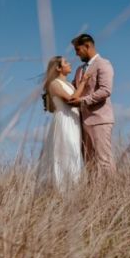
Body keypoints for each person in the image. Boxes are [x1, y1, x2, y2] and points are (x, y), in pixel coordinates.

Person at [37, 55, 89, 189]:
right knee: (67, 152)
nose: (69, 63)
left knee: (74, 153)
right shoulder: (54, 84)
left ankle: (73, 188)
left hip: (74, 121)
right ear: (58, 68)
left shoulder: (69, 84)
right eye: (66, 62)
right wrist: (83, 82)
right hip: (64, 122)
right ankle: (62, 189)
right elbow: (71, 100)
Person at [66, 33, 115, 174]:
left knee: (103, 160)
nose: (76, 54)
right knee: (89, 163)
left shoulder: (103, 64)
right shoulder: (79, 70)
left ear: (87, 46)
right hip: (82, 122)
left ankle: (112, 187)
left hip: (100, 120)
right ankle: (93, 189)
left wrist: (82, 101)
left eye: (77, 49)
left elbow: (105, 90)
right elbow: (73, 89)